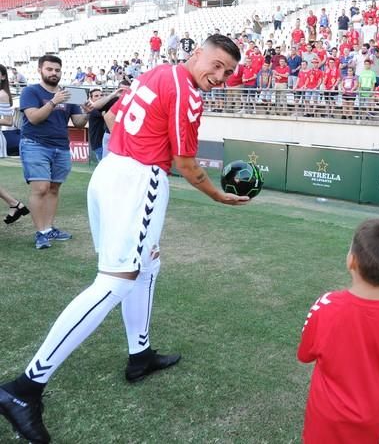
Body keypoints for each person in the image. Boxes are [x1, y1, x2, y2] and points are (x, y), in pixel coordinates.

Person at [0, 35, 249, 444]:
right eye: (216, 64)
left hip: (112, 167)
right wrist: (219, 195)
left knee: (147, 266)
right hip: (137, 179)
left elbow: (115, 119)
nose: (219, 76)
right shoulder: (187, 92)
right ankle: (25, 388)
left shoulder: (156, 72)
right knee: (116, 280)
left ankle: (141, 355)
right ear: (195, 54)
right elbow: (185, 163)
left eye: (228, 72)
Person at [298, 218, 379, 444]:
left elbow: (305, 354)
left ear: (351, 260)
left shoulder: (326, 305)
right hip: (371, 419)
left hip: (325, 418)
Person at [16, 55, 88, 249]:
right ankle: (40, 233)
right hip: (35, 144)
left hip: (61, 146)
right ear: (40, 70)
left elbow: (79, 123)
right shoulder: (31, 91)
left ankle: (48, 228)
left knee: (54, 189)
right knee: (40, 188)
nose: (54, 73)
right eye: (49, 69)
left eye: (57, 70)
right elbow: (34, 119)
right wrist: (53, 102)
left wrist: (87, 111)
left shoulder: (68, 94)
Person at [0, 64, 29, 225]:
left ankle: (15, 204)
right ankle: (15, 204)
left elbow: (8, 120)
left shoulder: (2, 94)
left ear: (3, 76)